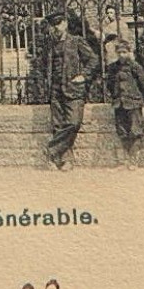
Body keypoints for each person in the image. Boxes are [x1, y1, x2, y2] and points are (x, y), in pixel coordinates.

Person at [46, 10, 98, 171]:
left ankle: (50, 149)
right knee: (58, 125)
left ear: (65, 24)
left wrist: (83, 75)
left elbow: (93, 59)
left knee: (73, 122)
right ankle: (64, 161)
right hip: (55, 90)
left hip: (73, 88)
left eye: (59, 23)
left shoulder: (76, 41)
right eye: (53, 25)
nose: (56, 27)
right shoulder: (51, 45)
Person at [105, 34, 144, 167]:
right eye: (119, 52)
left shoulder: (135, 66)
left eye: (124, 52)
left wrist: (142, 102)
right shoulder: (113, 68)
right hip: (119, 103)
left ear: (129, 52)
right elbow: (109, 84)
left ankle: (134, 159)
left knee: (135, 131)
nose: (121, 55)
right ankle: (125, 158)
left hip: (133, 103)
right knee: (122, 131)